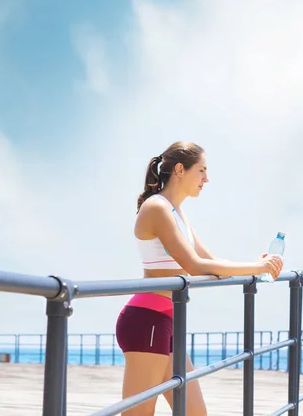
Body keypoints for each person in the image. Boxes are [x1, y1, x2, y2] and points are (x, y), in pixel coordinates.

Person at [115, 141, 284, 416]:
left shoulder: (178, 213)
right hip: (147, 320)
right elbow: (193, 265)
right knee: (138, 415)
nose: (207, 178)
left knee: (195, 413)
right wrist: (258, 267)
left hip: (169, 320)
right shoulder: (156, 208)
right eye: (202, 170)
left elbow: (212, 263)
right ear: (180, 169)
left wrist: (257, 265)